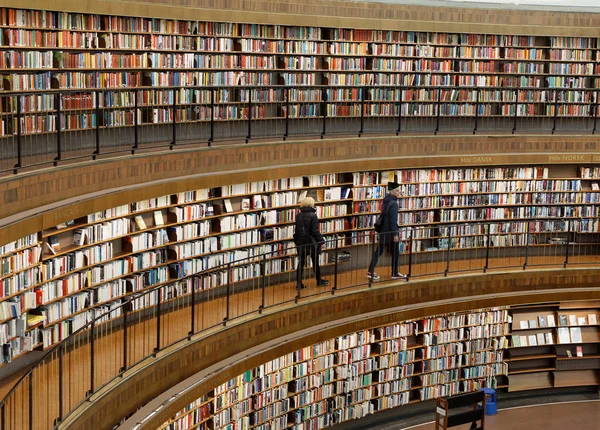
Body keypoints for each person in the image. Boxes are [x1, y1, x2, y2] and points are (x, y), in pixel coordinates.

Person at [367, 182, 405, 281]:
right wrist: (395, 234)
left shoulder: (386, 201)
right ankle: (395, 272)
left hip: (383, 231)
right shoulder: (394, 204)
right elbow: (393, 221)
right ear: (391, 191)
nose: (398, 192)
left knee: (378, 251)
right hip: (390, 232)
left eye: (398, 190)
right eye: (396, 190)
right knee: (395, 252)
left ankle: (370, 271)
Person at [295, 197, 329, 288]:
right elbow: (315, 231)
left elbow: (297, 230)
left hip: (300, 242)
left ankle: (299, 283)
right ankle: (319, 280)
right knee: (315, 262)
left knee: (301, 263)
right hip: (311, 242)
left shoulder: (298, 216)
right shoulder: (313, 216)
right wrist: (321, 240)